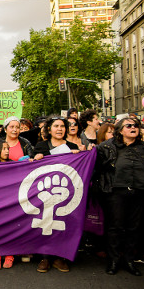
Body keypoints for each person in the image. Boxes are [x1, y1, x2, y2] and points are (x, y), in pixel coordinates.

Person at [94, 117, 144, 276]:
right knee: (115, 227)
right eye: (129, 126)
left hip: (139, 192)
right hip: (115, 192)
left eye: (136, 126)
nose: (133, 128)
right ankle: (114, 260)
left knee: (134, 228)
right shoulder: (106, 147)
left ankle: (129, 260)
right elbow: (94, 167)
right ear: (120, 130)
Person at [33, 116, 81, 273]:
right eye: (56, 126)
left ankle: (60, 257)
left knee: (64, 223)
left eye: (62, 126)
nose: (59, 129)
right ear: (49, 129)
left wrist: (79, 155)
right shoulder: (40, 146)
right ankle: (45, 257)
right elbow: (32, 169)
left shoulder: (73, 146)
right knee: (46, 223)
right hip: (45, 192)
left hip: (66, 192)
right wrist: (36, 158)